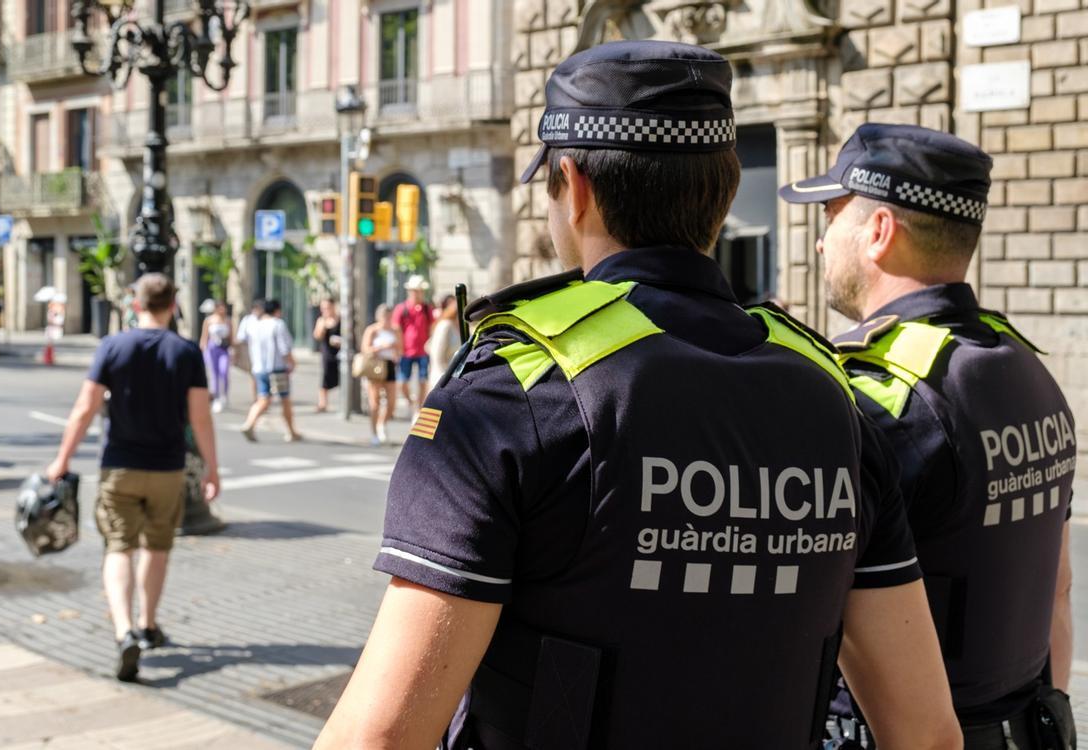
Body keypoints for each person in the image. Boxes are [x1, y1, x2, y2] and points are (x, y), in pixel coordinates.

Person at [317, 41, 961, 749]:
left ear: (576, 184)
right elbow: (926, 733)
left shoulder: (515, 393)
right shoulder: (834, 397)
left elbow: (379, 736)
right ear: (723, 188)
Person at [781, 123, 1077, 748]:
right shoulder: (1026, 368)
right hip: (1022, 727)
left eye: (831, 216)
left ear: (879, 232)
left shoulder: (876, 397)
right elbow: (1055, 590)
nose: (817, 242)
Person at [45, 273, 220, 683]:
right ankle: (148, 623)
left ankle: (124, 631)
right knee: (157, 548)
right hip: (168, 468)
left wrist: (62, 459)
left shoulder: (113, 346)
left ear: (136, 303)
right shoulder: (186, 352)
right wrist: (212, 467)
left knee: (118, 547)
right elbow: (200, 417)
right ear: (173, 305)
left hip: (119, 466)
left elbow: (84, 408)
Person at [239, 299, 300, 442]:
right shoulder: (278, 325)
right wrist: (292, 363)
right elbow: (284, 348)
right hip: (277, 368)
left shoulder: (255, 325)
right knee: (285, 399)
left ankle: (249, 423)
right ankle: (291, 431)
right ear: (277, 311)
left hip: (258, 368)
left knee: (262, 398)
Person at [392, 275, 434, 416]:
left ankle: (419, 408)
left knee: (423, 381)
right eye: (415, 290)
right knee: (402, 382)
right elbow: (397, 329)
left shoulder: (427, 309)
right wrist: (399, 348)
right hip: (406, 351)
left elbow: (431, 327)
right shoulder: (401, 308)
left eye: (420, 291)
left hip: (423, 351)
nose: (418, 293)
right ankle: (411, 402)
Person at [361, 304, 399, 446]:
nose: (387, 319)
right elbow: (365, 349)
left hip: (389, 365)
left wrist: (393, 347)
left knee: (391, 403)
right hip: (375, 366)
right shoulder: (372, 330)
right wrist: (381, 347)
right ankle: (374, 433)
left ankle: (381, 423)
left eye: (390, 316)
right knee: (375, 402)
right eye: (385, 317)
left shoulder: (395, 330)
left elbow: (401, 348)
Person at [198, 299, 233, 413]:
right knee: (214, 373)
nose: (223, 309)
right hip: (212, 348)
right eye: (221, 307)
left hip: (224, 348)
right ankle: (216, 397)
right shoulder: (209, 320)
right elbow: (204, 337)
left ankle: (224, 395)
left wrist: (234, 349)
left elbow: (231, 337)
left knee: (224, 371)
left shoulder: (228, 320)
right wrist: (202, 351)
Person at [426, 294, 461, 389]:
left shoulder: (461, 328)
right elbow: (437, 357)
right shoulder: (445, 326)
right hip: (442, 380)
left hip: (456, 380)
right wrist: (445, 381)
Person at [313, 297, 341, 412]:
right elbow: (317, 336)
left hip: (340, 352)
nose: (325, 310)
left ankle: (344, 401)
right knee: (325, 376)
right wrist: (323, 325)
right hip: (327, 352)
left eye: (328, 307)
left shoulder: (341, 319)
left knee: (342, 376)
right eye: (323, 308)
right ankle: (322, 403)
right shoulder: (321, 320)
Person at [234, 298, 265, 402]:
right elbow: (241, 337)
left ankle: (263, 398)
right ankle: (257, 399)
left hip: (265, 353)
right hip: (252, 353)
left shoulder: (266, 320)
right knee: (254, 377)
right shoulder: (248, 320)